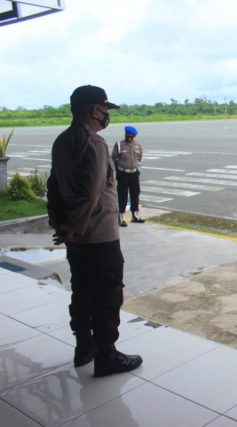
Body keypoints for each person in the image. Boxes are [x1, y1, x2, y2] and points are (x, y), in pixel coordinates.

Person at [46, 85, 143, 377]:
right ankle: (107, 355)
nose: (106, 115)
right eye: (104, 109)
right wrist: (74, 227)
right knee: (108, 294)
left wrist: (62, 224)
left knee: (82, 291)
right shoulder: (95, 144)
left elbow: (53, 186)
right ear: (93, 110)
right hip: (99, 236)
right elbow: (92, 192)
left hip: (75, 238)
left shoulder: (62, 141)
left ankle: (84, 347)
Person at [112, 125, 145, 227]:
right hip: (123, 174)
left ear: (134, 136)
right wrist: (117, 172)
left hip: (134, 173)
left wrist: (137, 171)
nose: (130, 137)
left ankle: (135, 215)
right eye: (128, 135)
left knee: (135, 194)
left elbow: (139, 159)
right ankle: (120, 217)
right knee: (122, 196)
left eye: (132, 136)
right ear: (126, 134)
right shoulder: (119, 145)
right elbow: (113, 159)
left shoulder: (138, 146)